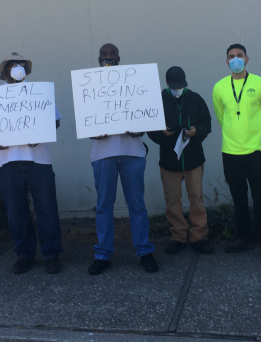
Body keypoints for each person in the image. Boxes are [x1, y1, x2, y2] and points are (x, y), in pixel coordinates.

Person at [87, 43, 158, 275]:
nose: (109, 57)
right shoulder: (88, 84)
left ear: (120, 58)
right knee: (103, 206)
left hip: (132, 152)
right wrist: (92, 131)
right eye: (105, 54)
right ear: (98, 58)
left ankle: (144, 251)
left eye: (113, 54)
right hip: (102, 153)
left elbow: (146, 113)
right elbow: (86, 120)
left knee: (137, 205)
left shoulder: (134, 82)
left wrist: (142, 130)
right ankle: (103, 254)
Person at [0, 52, 64, 274]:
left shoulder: (39, 93)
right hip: (7, 161)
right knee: (15, 211)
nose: (17, 69)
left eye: (21, 65)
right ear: (5, 73)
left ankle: (51, 254)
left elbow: (55, 122)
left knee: (47, 208)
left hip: (38, 159)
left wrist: (41, 132)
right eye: (13, 66)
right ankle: (24, 253)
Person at [213, 44, 261, 262]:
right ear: (227, 61)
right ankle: (245, 238)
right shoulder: (219, 87)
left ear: (247, 59)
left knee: (260, 198)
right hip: (230, 152)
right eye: (231, 57)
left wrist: (252, 132)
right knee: (239, 199)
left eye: (239, 56)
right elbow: (221, 116)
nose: (236, 59)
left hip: (256, 150)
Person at [147, 66, 213, 255]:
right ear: (167, 83)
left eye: (181, 85)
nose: (178, 89)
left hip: (193, 159)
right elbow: (149, 129)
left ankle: (198, 236)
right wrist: (162, 133)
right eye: (174, 86)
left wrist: (197, 131)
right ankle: (178, 237)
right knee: (173, 201)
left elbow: (206, 124)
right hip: (169, 160)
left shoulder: (195, 98)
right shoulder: (157, 101)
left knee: (197, 198)